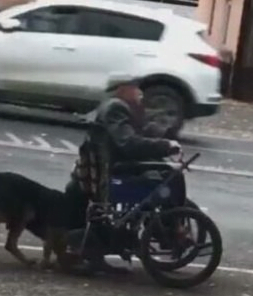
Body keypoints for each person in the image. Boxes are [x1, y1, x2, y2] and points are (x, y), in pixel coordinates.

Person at [63, 79, 184, 273]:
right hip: (115, 170)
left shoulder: (118, 107)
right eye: (136, 89)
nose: (140, 93)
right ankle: (172, 227)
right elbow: (129, 143)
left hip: (114, 166)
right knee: (172, 175)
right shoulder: (115, 108)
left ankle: (170, 224)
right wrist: (165, 146)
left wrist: (163, 139)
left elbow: (139, 133)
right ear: (123, 89)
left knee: (166, 172)